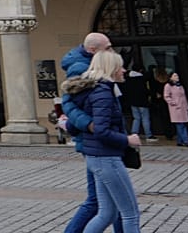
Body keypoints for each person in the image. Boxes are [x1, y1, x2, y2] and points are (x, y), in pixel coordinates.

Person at [64, 49, 143, 233]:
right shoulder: (103, 92)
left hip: (97, 156)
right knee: (130, 214)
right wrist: (127, 139)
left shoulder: (94, 89)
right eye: (120, 66)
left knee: (107, 213)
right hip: (107, 157)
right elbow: (102, 131)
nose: (124, 70)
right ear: (111, 68)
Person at [59, 32, 123, 233]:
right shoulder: (80, 67)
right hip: (95, 141)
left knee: (113, 199)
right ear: (93, 50)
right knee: (99, 200)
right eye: (108, 48)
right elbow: (69, 104)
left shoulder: (92, 64)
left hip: (101, 140)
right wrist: (89, 125)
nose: (111, 51)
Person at [121, 67, 154, 141]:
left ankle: (134, 133)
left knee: (136, 118)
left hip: (133, 102)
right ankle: (148, 135)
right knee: (145, 118)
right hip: (142, 101)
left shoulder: (128, 79)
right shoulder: (142, 79)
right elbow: (145, 90)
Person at [163, 72, 188, 147]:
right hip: (175, 108)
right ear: (171, 77)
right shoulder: (168, 86)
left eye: (177, 75)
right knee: (180, 124)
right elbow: (166, 96)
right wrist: (173, 103)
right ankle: (186, 140)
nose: (177, 77)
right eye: (175, 76)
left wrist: (187, 107)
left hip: (183, 107)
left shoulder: (180, 85)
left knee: (182, 124)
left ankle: (179, 141)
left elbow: (184, 97)